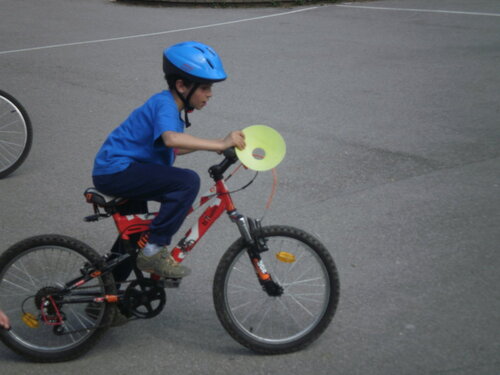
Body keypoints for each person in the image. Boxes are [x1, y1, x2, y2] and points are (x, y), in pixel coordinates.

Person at [92, 41, 245, 280]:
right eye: (204, 88)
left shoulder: (171, 109)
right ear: (182, 85)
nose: (210, 94)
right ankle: (154, 251)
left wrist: (215, 145)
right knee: (186, 182)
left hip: (124, 171)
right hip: (117, 171)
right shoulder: (165, 104)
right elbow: (172, 139)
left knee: (133, 239)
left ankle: (105, 300)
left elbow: (173, 148)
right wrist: (220, 144)